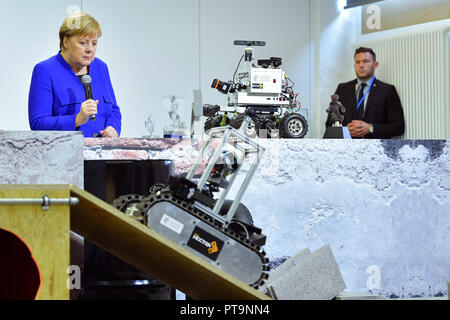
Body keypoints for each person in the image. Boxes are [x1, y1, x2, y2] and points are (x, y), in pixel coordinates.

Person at [28, 11, 121, 138]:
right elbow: (38, 123)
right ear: (65, 41)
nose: (90, 49)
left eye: (94, 43)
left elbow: (114, 110)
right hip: (65, 154)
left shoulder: (101, 67)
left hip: (101, 154)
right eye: (83, 43)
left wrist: (113, 127)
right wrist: (76, 120)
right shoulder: (45, 70)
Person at [333, 47, 405, 139]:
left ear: (375, 64)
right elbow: (330, 123)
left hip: (376, 149)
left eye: (366, 61)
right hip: (347, 148)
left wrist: (371, 128)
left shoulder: (387, 90)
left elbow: (398, 127)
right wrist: (346, 130)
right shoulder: (343, 89)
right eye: (358, 62)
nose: (361, 65)